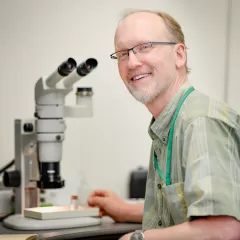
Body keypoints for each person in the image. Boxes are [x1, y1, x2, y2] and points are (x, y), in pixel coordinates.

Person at [88, 9, 240, 240]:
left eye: (145, 47)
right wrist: (123, 211)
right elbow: (185, 209)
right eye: (122, 53)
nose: (132, 62)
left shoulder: (199, 122)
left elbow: (223, 229)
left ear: (179, 55)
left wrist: (135, 239)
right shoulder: (169, 123)